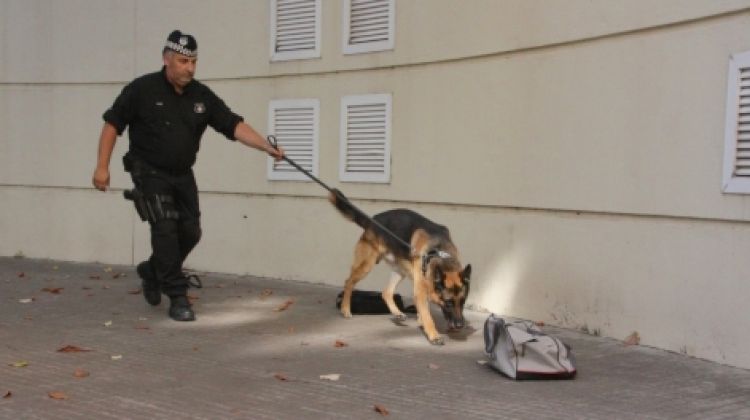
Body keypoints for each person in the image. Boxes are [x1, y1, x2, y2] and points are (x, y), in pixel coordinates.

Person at [92, 30, 284, 321]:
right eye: (183, 61)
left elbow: (232, 124)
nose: (190, 68)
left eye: (194, 61)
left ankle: (153, 270)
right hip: (149, 172)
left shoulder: (200, 95)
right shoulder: (141, 90)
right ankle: (177, 295)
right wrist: (102, 167)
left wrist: (266, 147)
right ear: (166, 59)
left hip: (182, 174)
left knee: (191, 231)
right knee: (166, 228)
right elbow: (112, 125)